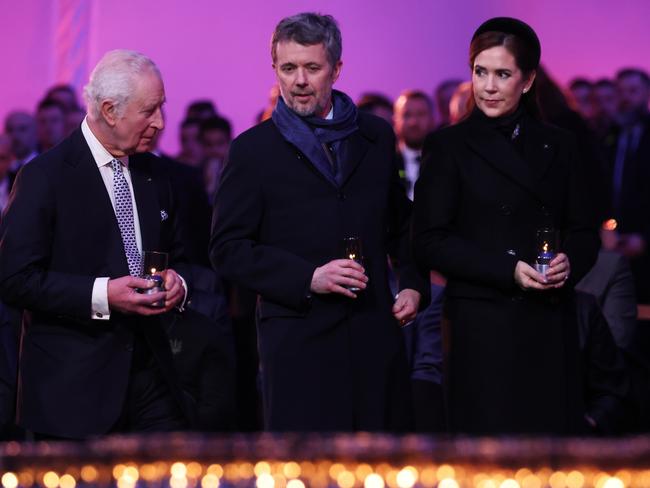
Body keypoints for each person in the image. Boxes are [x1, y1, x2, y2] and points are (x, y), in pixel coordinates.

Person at [210, 12, 427, 431]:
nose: (299, 81)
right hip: (297, 345)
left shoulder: (376, 136)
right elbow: (227, 249)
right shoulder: (253, 151)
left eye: (312, 67)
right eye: (288, 68)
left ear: (337, 69)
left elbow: (401, 223)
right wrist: (307, 277)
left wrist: (415, 284)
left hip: (372, 337)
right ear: (275, 69)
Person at [413, 17, 599, 435]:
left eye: (502, 74)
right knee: (488, 457)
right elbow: (428, 241)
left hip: (549, 321)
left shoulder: (560, 144)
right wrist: (507, 269)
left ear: (528, 80)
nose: (489, 86)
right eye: (480, 72)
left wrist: (570, 263)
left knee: (552, 457)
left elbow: (585, 231)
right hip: (481, 324)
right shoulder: (448, 146)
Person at [0, 49, 191, 439]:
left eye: (162, 107)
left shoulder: (158, 174)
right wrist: (104, 294)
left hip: (153, 384)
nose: (160, 122)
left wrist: (179, 283)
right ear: (109, 110)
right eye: (149, 110)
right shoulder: (44, 177)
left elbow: (185, 256)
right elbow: (13, 278)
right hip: (72, 395)